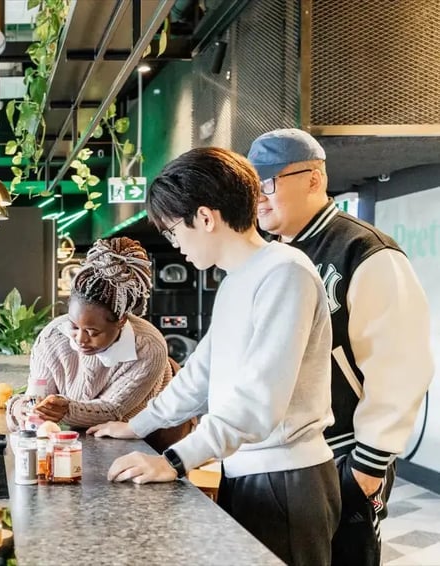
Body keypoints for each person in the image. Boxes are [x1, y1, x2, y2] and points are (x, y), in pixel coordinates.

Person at [88, 147, 340, 566]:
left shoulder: (285, 273)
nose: (175, 245)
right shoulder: (236, 279)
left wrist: (174, 460)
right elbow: (200, 375)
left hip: (288, 480)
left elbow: (258, 402)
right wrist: (137, 426)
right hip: (246, 472)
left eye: (173, 231)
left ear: (205, 218)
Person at [247, 128, 434, 566]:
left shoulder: (365, 250)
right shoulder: (269, 257)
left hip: (342, 454)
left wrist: (367, 467)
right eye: (251, 187)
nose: (258, 199)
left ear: (313, 178)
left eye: (267, 184)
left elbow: (400, 369)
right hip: (279, 459)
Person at [7, 237, 182, 444]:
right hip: (88, 437)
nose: (80, 339)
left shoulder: (148, 346)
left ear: (121, 321)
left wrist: (65, 409)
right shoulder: (52, 337)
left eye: (92, 332)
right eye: (74, 326)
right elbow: (38, 397)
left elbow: (113, 410)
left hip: (150, 435)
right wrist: (21, 408)